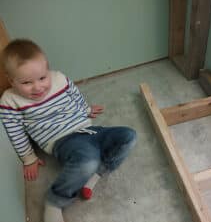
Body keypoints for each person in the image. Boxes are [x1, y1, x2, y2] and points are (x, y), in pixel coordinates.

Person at [0, 39, 137, 222]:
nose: (38, 87)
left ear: (47, 69)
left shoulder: (59, 79)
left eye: (42, 78)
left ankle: (96, 174)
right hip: (62, 140)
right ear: (11, 80)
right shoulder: (10, 101)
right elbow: (14, 131)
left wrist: (86, 109)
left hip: (89, 130)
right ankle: (55, 201)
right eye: (26, 82)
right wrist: (28, 158)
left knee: (128, 136)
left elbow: (74, 95)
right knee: (88, 159)